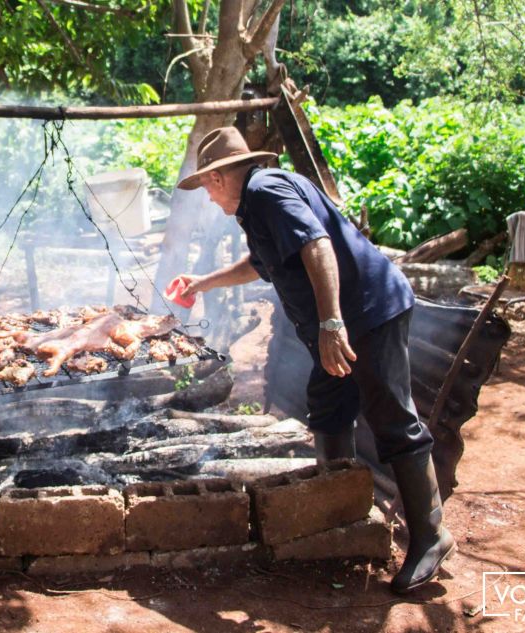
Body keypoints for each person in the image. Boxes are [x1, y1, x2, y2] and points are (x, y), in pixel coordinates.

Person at [176, 126, 454, 594]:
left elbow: (316, 245)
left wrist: (331, 324)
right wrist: (202, 282)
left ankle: (431, 535)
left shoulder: (264, 191)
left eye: (205, 184)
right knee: (327, 407)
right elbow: (261, 264)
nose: (205, 195)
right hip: (347, 318)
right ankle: (339, 510)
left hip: (368, 313)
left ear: (221, 176)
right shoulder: (260, 197)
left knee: (391, 416)